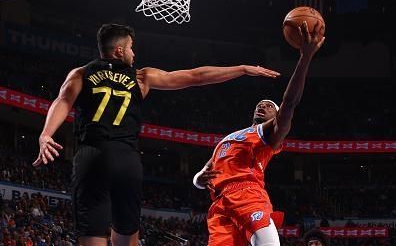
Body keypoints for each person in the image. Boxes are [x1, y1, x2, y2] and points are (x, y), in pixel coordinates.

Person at [32, 23, 280, 246]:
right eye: (131, 48)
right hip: (125, 158)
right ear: (119, 51)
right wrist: (242, 69)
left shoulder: (81, 73)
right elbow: (195, 76)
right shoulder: (141, 77)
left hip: (90, 155)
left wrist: (46, 134)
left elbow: (62, 101)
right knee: (127, 234)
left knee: (92, 234)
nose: (134, 53)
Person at [193, 20, 325, 246]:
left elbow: (290, 102)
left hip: (248, 195)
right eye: (259, 104)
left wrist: (305, 58)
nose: (262, 106)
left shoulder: (268, 134)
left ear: (276, 116)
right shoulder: (229, 138)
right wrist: (198, 179)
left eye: (269, 105)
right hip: (220, 205)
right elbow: (203, 175)